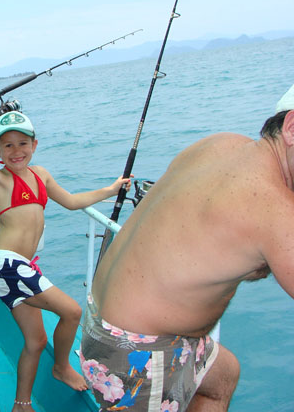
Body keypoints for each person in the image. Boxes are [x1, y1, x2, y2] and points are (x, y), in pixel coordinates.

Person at [80, 86, 294, 412]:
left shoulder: (221, 144)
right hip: (136, 355)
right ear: (291, 127)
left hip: (101, 324)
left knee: (223, 376)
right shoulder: (274, 207)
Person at [0, 106, 131, 411]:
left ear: (35, 145)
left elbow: (73, 202)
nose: (16, 151)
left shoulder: (41, 176)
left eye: (23, 143)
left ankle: (21, 404)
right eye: (7, 145)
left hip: (22, 268)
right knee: (72, 312)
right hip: (5, 265)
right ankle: (62, 367)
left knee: (35, 342)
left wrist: (111, 189)